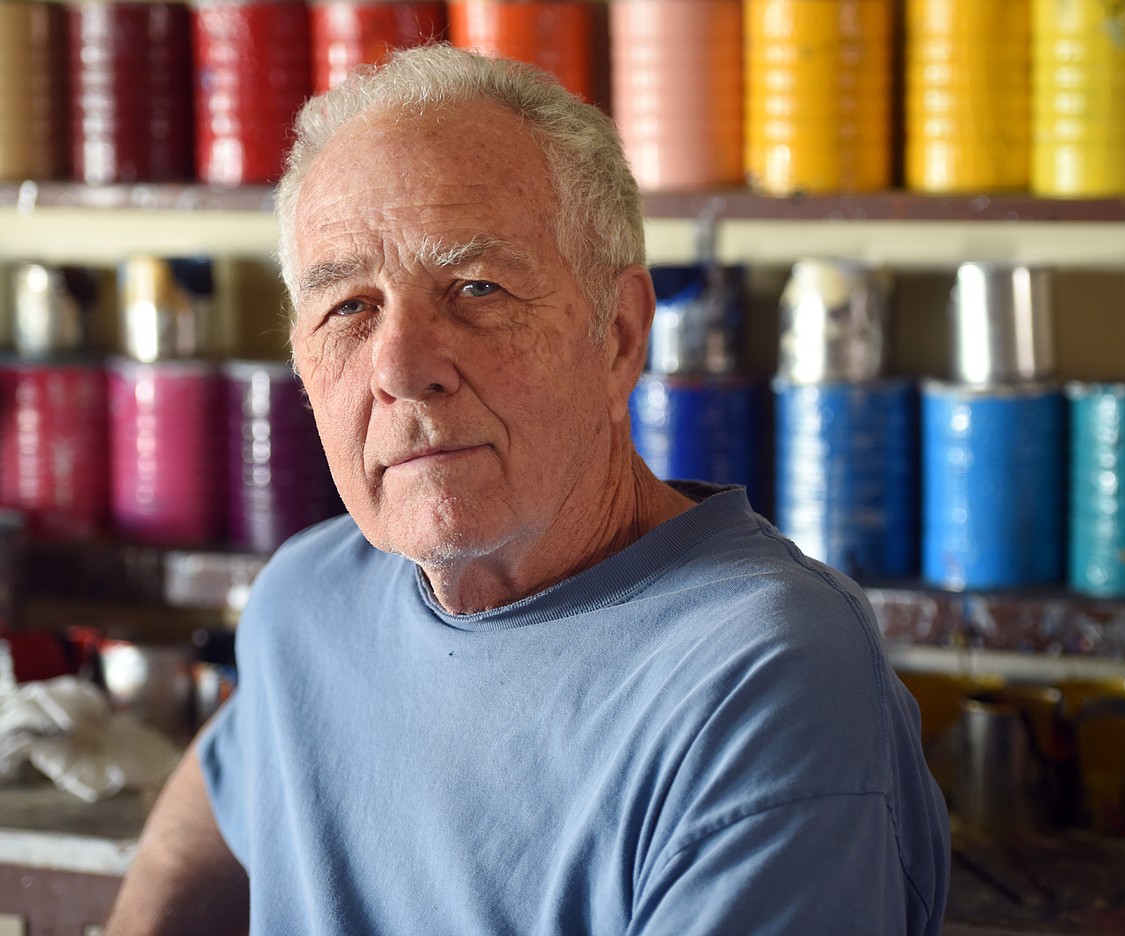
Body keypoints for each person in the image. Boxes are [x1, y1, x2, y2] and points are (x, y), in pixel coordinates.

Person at [106, 44, 950, 935]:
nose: (400, 368)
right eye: (348, 307)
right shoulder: (306, 601)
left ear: (618, 336)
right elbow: (230, 777)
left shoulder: (759, 677)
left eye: (477, 288)